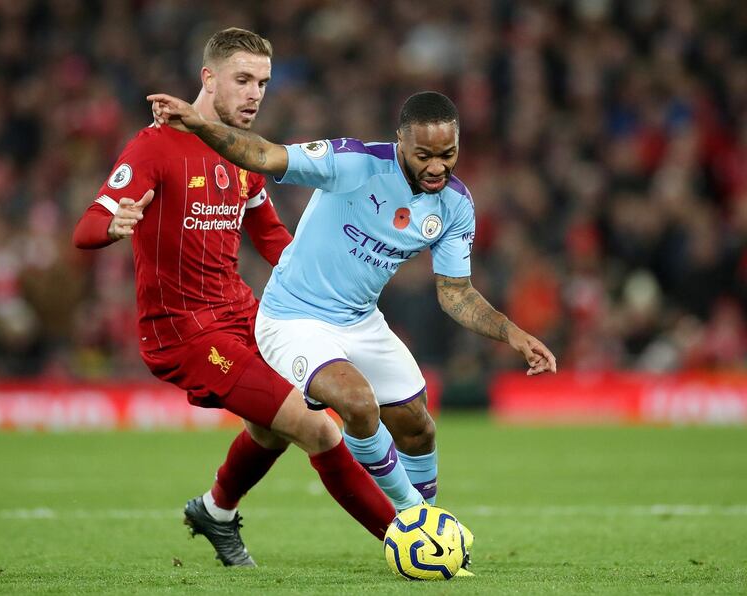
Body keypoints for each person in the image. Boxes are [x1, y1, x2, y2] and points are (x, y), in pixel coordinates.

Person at [148, 90, 558, 520]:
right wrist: (201, 124)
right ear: (400, 141)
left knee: (418, 428)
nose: (437, 166)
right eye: (424, 155)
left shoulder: (455, 205)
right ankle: (415, 520)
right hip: (293, 318)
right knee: (358, 404)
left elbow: (455, 292)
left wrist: (513, 333)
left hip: (361, 321)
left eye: (448, 154)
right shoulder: (353, 163)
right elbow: (266, 155)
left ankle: (431, 524)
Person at [73, 27, 395, 568]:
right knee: (316, 427)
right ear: (208, 78)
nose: (254, 94)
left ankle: (215, 511)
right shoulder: (155, 146)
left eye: (263, 83)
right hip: (185, 329)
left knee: (272, 426)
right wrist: (114, 224)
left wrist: (325, 287)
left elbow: (270, 236)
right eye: (242, 80)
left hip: (244, 314)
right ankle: (406, 537)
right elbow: (86, 226)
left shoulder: (241, 156)